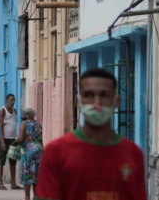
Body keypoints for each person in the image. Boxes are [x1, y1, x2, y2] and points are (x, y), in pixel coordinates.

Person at [36, 68, 146, 200]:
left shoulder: (133, 154)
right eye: (88, 95)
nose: (97, 103)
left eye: (104, 95)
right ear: (78, 102)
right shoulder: (56, 152)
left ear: (116, 102)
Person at [13, 107, 42, 200]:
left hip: (27, 154)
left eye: (24, 114)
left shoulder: (24, 124)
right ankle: (36, 196)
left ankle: (27, 197)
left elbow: (21, 139)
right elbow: (40, 140)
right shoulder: (38, 124)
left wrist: (16, 140)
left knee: (27, 175)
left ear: (26, 115)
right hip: (38, 153)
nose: (22, 116)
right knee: (36, 176)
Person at [0, 94, 20, 190]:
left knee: (13, 162)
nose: (13, 102)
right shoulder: (2, 110)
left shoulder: (14, 111)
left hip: (13, 139)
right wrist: (2, 141)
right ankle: (0, 183)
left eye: (14, 100)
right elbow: (0, 126)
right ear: (7, 100)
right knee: (2, 161)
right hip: (5, 139)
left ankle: (13, 183)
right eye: (11, 100)